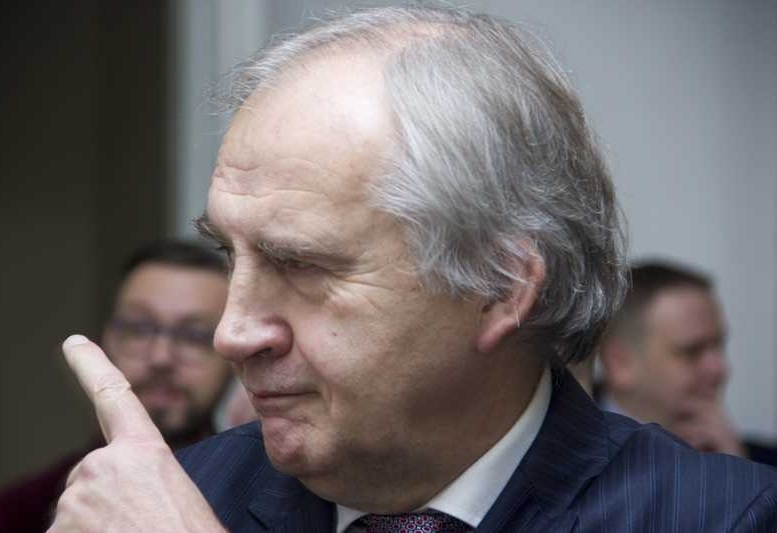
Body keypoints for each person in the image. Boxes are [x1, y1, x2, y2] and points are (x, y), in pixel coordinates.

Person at [48, 6, 777, 532]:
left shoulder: (722, 516)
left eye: (298, 264)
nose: (232, 334)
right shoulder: (184, 494)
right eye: (229, 253)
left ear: (498, 286)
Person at [0, 239, 243, 532]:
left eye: (194, 336)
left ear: (234, 355)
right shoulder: (10, 516)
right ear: (107, 340)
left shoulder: (272, 501)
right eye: (138, 328)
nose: (161, 357)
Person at [599, 260, 777, 464]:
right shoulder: (571, 464)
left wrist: (737, 472)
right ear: (619, 364)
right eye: (691, 352)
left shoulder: (763, 467)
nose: (720, 368)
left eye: (718, 345)